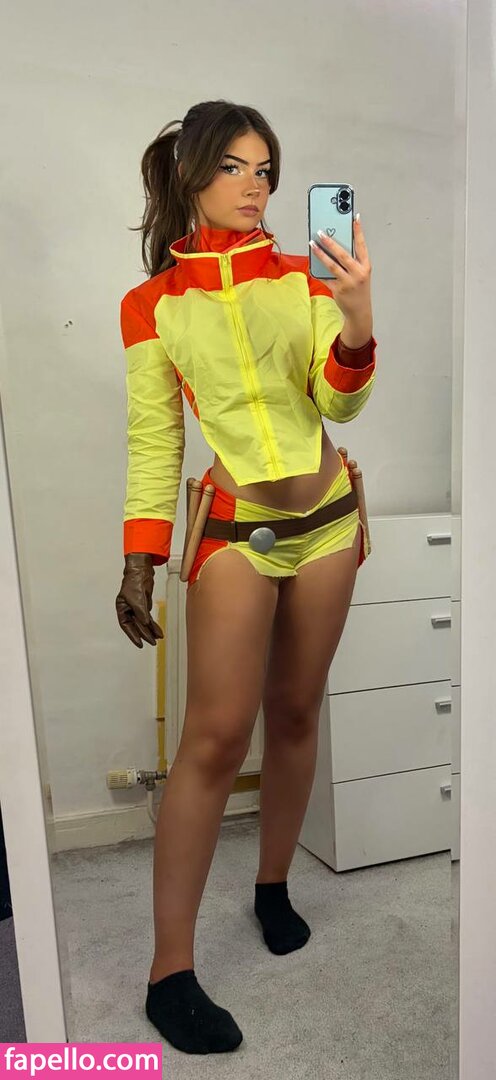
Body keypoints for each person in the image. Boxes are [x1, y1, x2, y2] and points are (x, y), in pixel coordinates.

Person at [115, 99, 376, 1056]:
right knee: (215, 739)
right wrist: (141, 553)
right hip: (235, 528)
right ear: (191, 173)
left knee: (296, 711)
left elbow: (338, 400)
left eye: (266, 169)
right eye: (233, 166)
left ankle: (272, 886)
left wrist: (356, 320)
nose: (255, 185)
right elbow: (156, 437)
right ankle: (168, 972)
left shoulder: (305, 275)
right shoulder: (152, 305)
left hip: (329, 521)